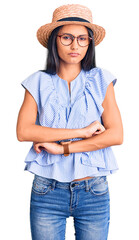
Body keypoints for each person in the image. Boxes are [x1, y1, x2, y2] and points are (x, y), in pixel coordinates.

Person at [16, 4, 123, 240]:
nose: (75, 45)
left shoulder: (101, 80)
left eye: (82, 39)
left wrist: (61, 147)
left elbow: (115, 135)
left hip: (93, 190)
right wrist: (83, 132)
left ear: (89, 43)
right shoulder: (37, 82)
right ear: (55, 40)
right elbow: (24, 131)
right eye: (67, 37)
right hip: (47, 191)